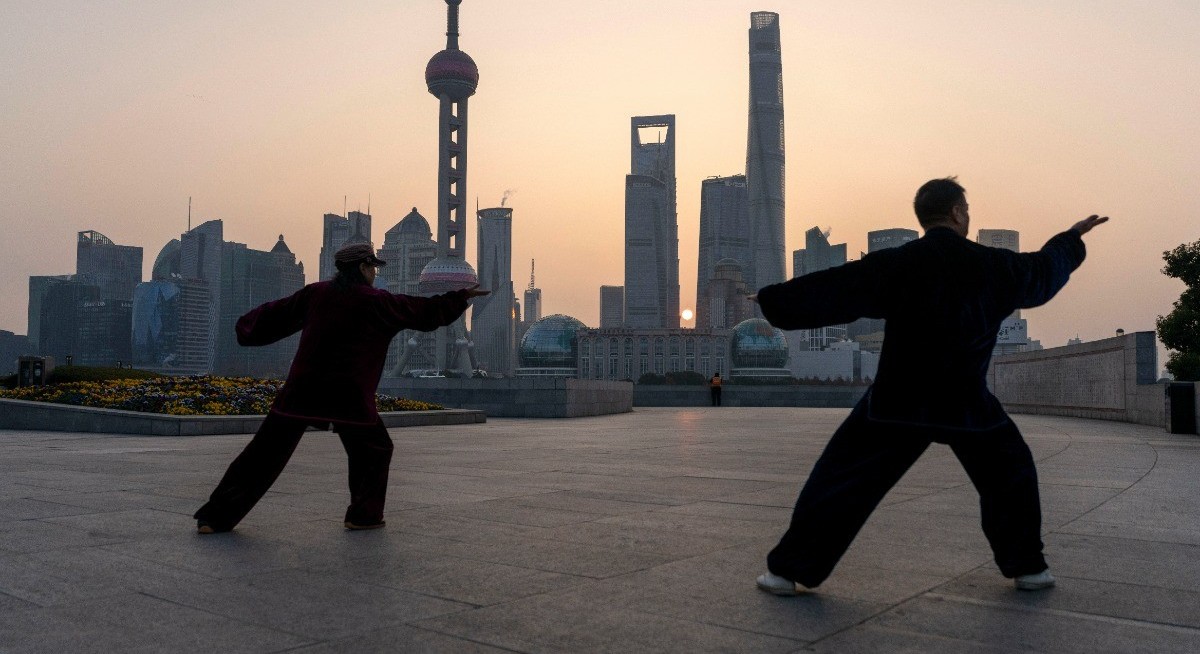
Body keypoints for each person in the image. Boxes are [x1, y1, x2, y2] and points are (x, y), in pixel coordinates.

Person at [751, 177, 1107, 594]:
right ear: (957, 212)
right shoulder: (993, 266)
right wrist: (1071, 238)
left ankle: (787, 571)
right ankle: (1028, 567)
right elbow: (1042, 272)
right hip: (967, 403)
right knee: (1011, 475)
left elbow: (837, 287)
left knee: (840, 481)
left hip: (898, 400)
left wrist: (773, 299)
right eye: (966, 210)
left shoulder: (900, 263)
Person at [193, 242, 488, 534]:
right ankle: (363, 516)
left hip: (302, 392)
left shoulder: (316, 294)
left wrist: (244, 327)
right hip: (349, 395)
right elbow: (422, 311)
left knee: (264, 454)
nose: (374, 272)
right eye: (372, 267)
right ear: (363, 267)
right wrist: (460, 297)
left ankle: (215, 518)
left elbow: (276, 314)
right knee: (374, 450)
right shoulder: (378, 301)